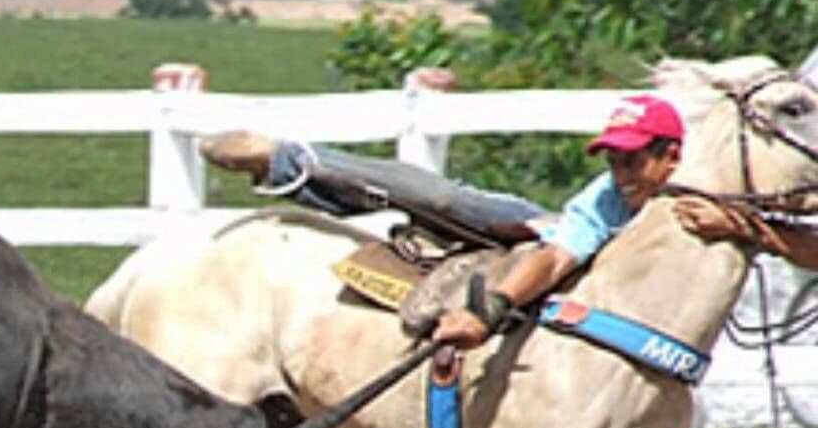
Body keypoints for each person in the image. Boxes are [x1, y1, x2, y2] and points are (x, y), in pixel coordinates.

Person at [203, 93, 689, 349]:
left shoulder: (707, 194)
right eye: (614, 162)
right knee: (442, 199)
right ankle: (290, 162)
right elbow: (559, 253)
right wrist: (493, 306)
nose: (621, 176)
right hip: (540, 228)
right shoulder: (604, 198)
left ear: (671, 157)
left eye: (632, 162)